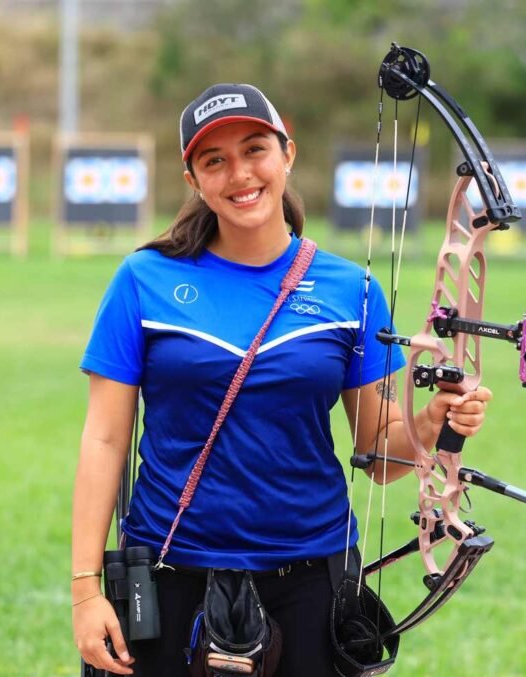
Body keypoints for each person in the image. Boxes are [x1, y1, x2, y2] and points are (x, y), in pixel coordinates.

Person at [70, 83, 492, 676]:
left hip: (312, 584)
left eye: (255, 150)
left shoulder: (353, 290)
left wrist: (431, 424)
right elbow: (104, 440)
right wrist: (87, 589)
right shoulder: (144, 280)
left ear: (287, 154)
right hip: (170, 577)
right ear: (192, 179)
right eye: (214, 160)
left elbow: (379, 455)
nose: (240, 174)